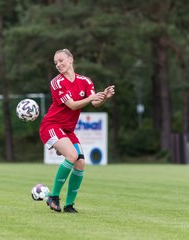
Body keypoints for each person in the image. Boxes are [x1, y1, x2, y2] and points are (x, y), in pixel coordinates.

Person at [39, 49, 115, 213]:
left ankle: (69, 206)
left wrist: (105, 98)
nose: (58, 64)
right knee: (72, 156)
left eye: (61, 60)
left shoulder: (85, 81)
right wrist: (90, 99)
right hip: (51, 125)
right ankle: (53, 197)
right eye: (56, 63)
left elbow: (95, 103)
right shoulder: (57, 83)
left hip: (67, 130)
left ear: (70, 59)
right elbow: (73, 105)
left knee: (80, 162)